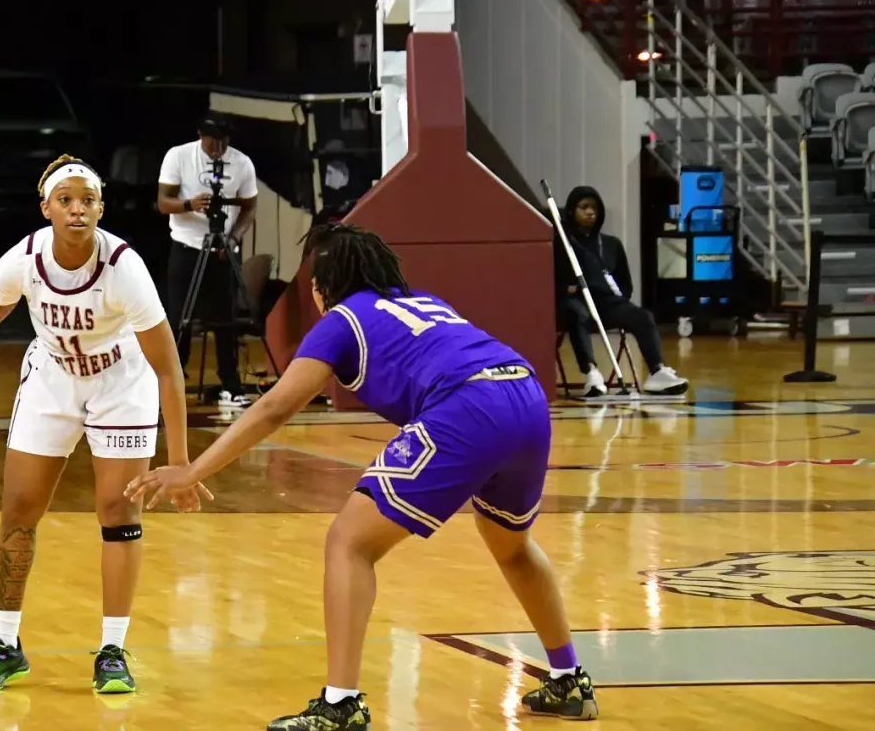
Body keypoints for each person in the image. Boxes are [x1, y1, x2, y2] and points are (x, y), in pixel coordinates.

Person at [126, 223, 600, 729]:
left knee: (349, 544)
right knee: (512, 546)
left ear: (321, 286)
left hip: (469, 404)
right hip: (524, 393)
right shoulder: (427, 302)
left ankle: (340, 705)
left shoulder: (341, 319)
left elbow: (275, 406)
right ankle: (569, 679)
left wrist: (193, 469)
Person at [0, 155, 209, 696]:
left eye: (88, 200)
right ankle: (4, 646)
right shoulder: (23, 260)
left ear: (101, 208)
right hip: (53, 379)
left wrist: (179, 463)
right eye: (66, 200)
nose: (77, 209)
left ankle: (112, 651)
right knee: (18, 512)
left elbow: (168, 368)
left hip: (121, 383)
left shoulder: (124, 266)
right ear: (47, 209)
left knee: (118, 513)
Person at [157, 112, 258, 408]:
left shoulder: (242, 163)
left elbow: (249, 207)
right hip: (186, 246)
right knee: (180, 319)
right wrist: (190, 204)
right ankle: (172, 383)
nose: (218, 150)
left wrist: (234, 237)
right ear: (201, 135)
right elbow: (163, 202)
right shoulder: (179, 156)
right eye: (213, 144)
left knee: (225, 319)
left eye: (223, 144)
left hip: (222, 248)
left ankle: (232, 384)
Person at [556, 185, 689, 397]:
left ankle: (658, 371)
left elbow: (625, 285)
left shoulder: (611, 244)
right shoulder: (561, 244)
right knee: (576, 313)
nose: (591, 212)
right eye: (584, 207)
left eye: (595, 208)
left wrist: (619, 302)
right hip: (576, 300)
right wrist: (568, 289)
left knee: (642, 315)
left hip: (606, 302)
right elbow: (549, 281)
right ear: (572, 210)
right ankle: (592, 372)